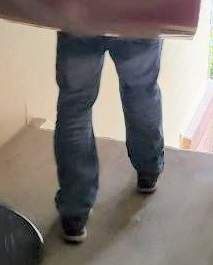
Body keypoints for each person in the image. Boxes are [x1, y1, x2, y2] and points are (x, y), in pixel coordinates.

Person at [54, 32, 164, 243]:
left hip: (79, 9)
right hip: (139, 11)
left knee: (75, 106)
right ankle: (148, 171)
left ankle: (74, 213)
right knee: (141, 92)